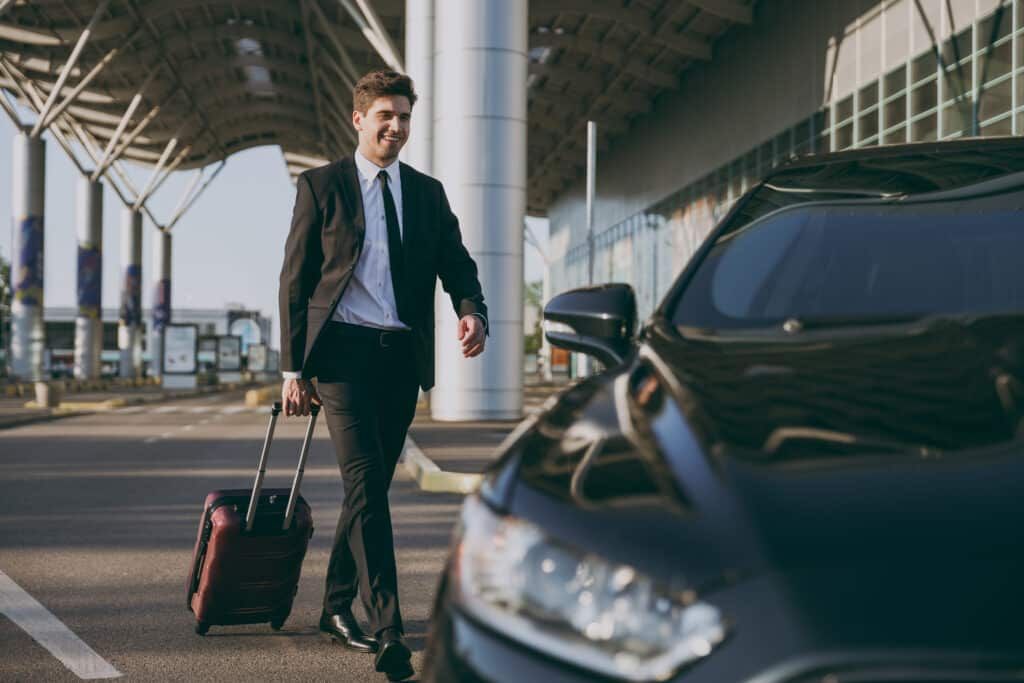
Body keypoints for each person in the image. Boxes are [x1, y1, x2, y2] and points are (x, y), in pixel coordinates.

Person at [278, 70, 487, 681]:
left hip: (400, 358)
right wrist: (293, 368)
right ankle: (389, 628)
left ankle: (334, 606)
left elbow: (456, 262)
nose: (396, 127)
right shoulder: (322, 186)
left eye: (404, 117)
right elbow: (295, 279)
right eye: (385, 116)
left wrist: (472, 310)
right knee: (367, 483)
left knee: (365, 490)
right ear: (359, 119)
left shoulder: (426, 193)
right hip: (340, 358)